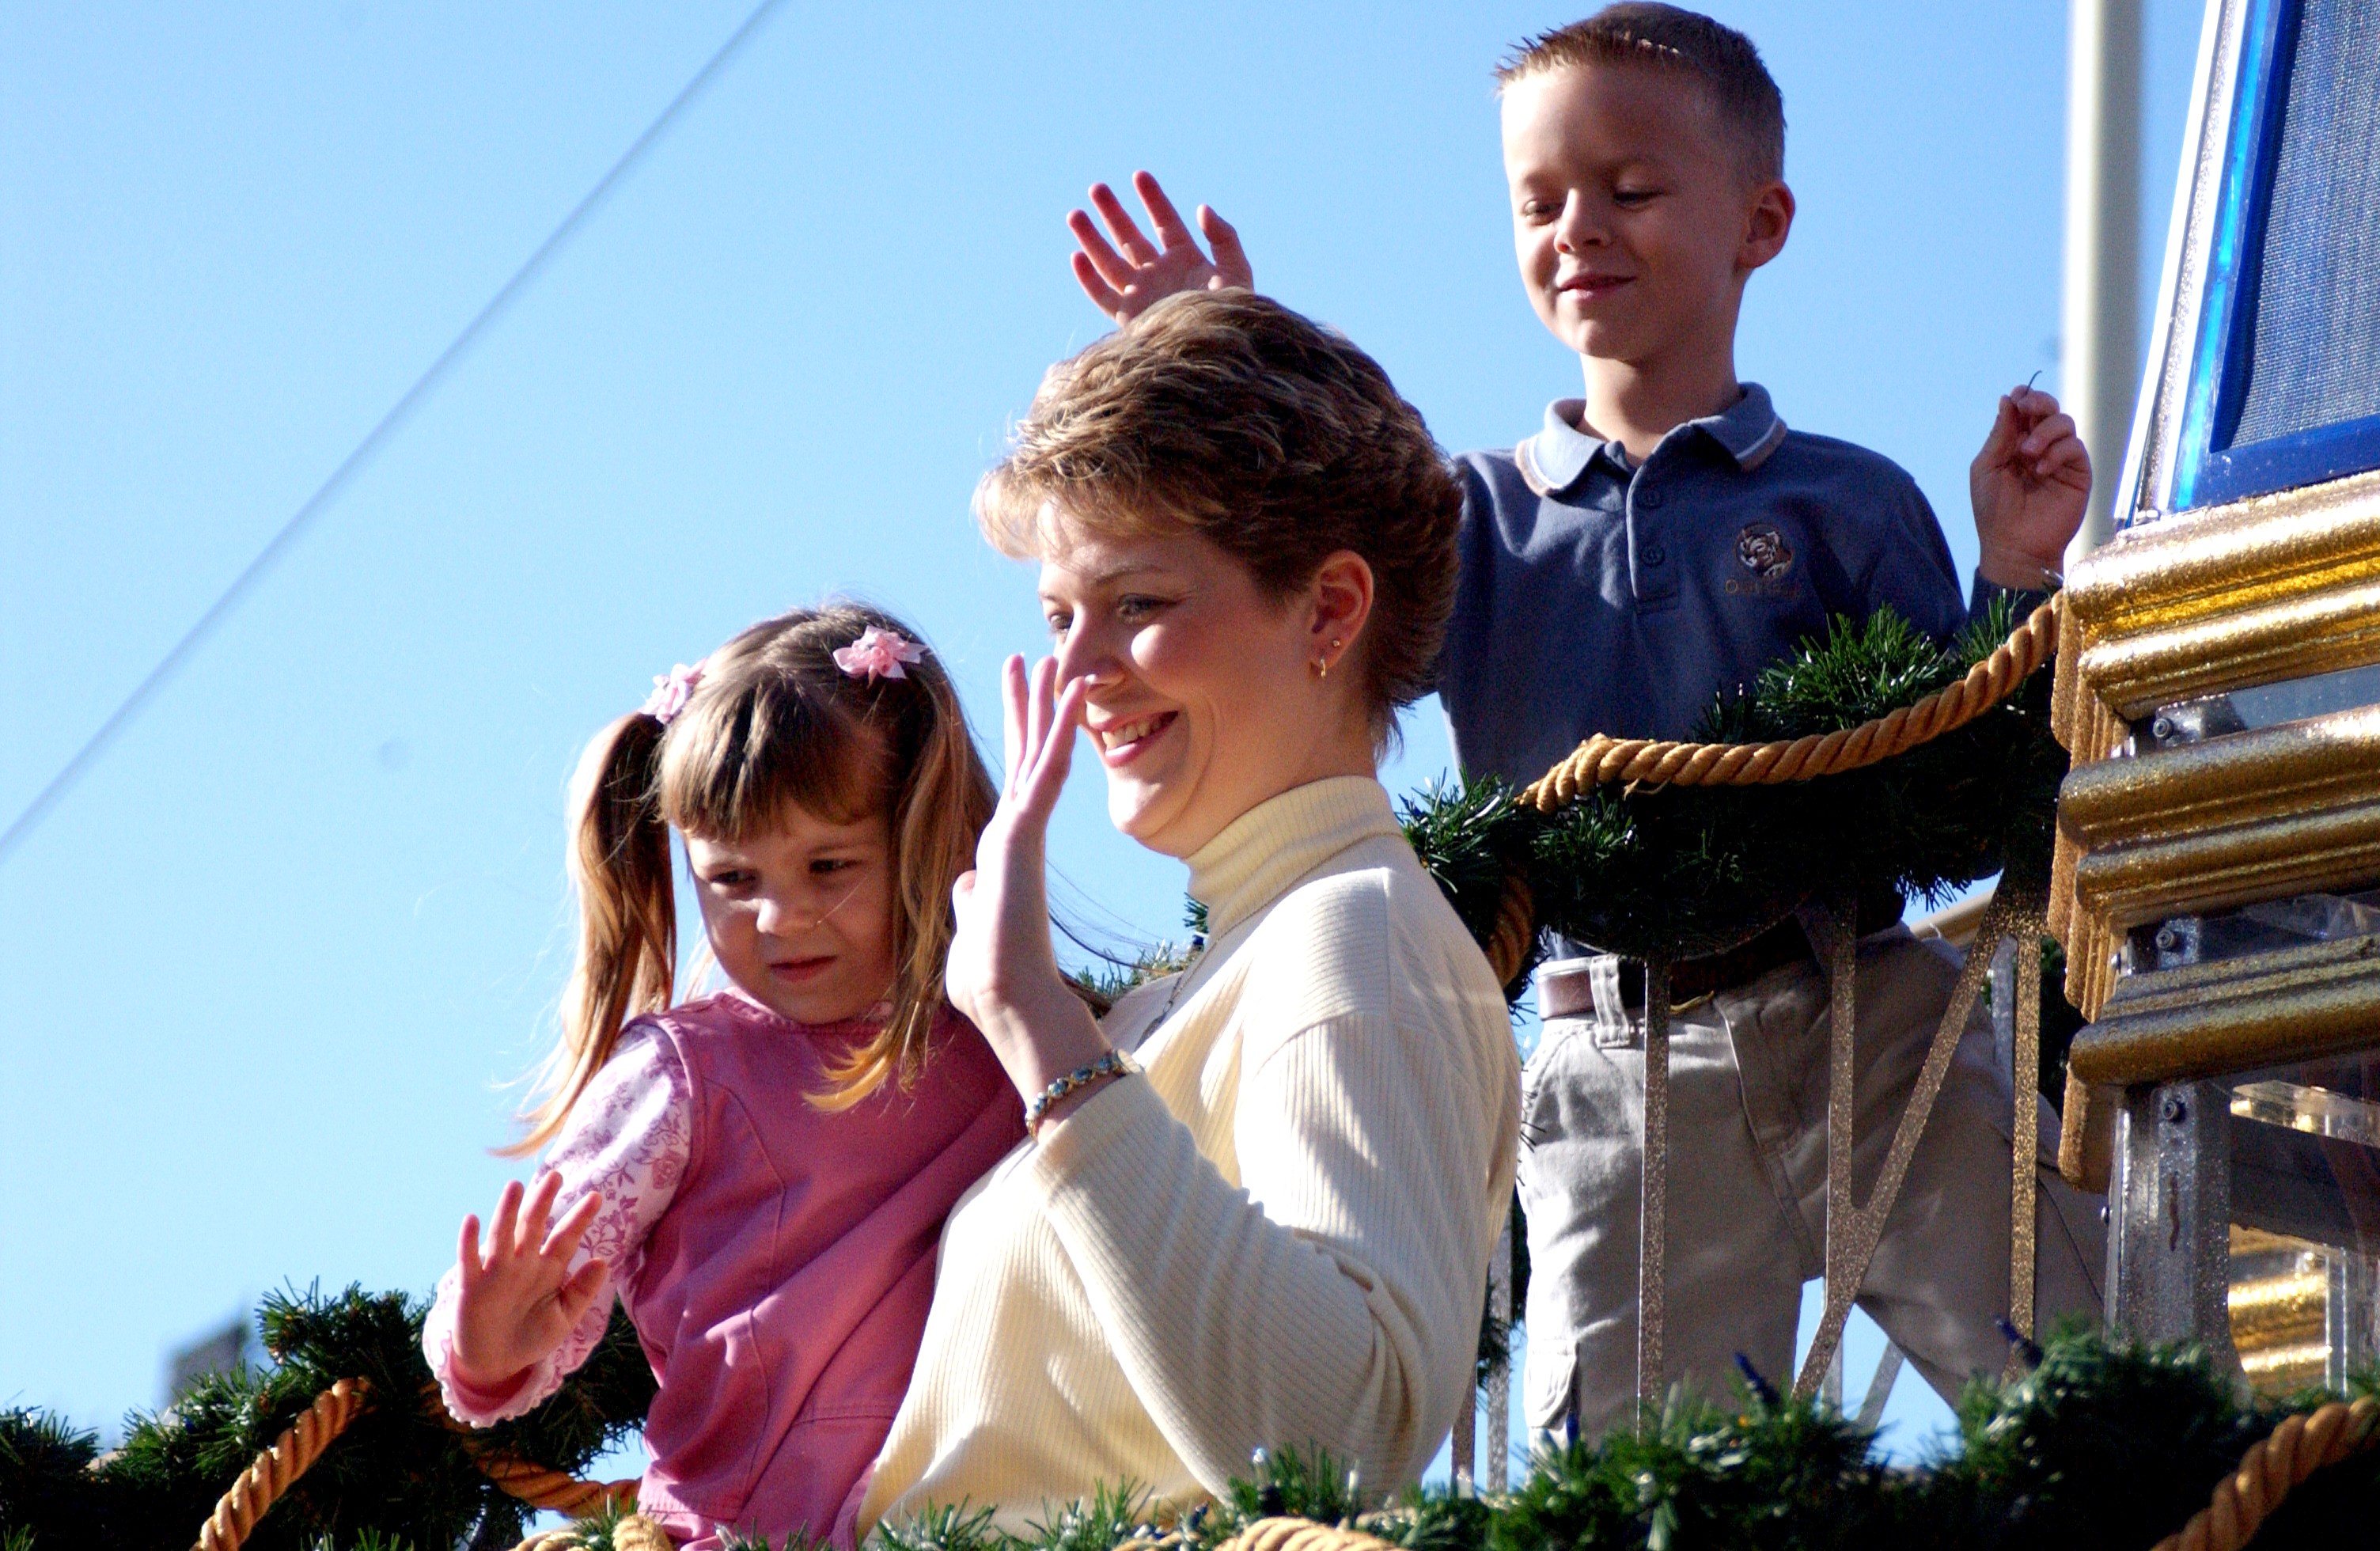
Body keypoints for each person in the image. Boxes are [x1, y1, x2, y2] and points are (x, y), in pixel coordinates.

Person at [1060, 6, 2105, 1436]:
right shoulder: (1464, 520)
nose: (1577, 229)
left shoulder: (1846, 501)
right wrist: (1225, 343)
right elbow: (1314, 525)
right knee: (1629, 1478)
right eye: (1538, 201)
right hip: (1616, 1062)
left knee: (2077, 1379)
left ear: (1760, 220)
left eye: (1629, 190)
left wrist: (2012, 568)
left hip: (1869, 1015)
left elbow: (1952, 765)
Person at [856, 290, 1521, 1534]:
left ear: (1328, 609)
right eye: (1058, 615)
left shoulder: (1356, 937)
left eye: (1138, 604)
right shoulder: (1210, 985)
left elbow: (1344, 1444)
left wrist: (1039, 1032)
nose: (1075, 670)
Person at [422, 605, 1025, 1551]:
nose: (781, 917)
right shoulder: (684, 1076)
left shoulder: (1017, 1027)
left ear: (926, 832)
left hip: (1001, 1515)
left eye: (828, 865)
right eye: (734, 879)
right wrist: (491, 1342)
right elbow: (550, 1289)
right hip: (742, 1533)